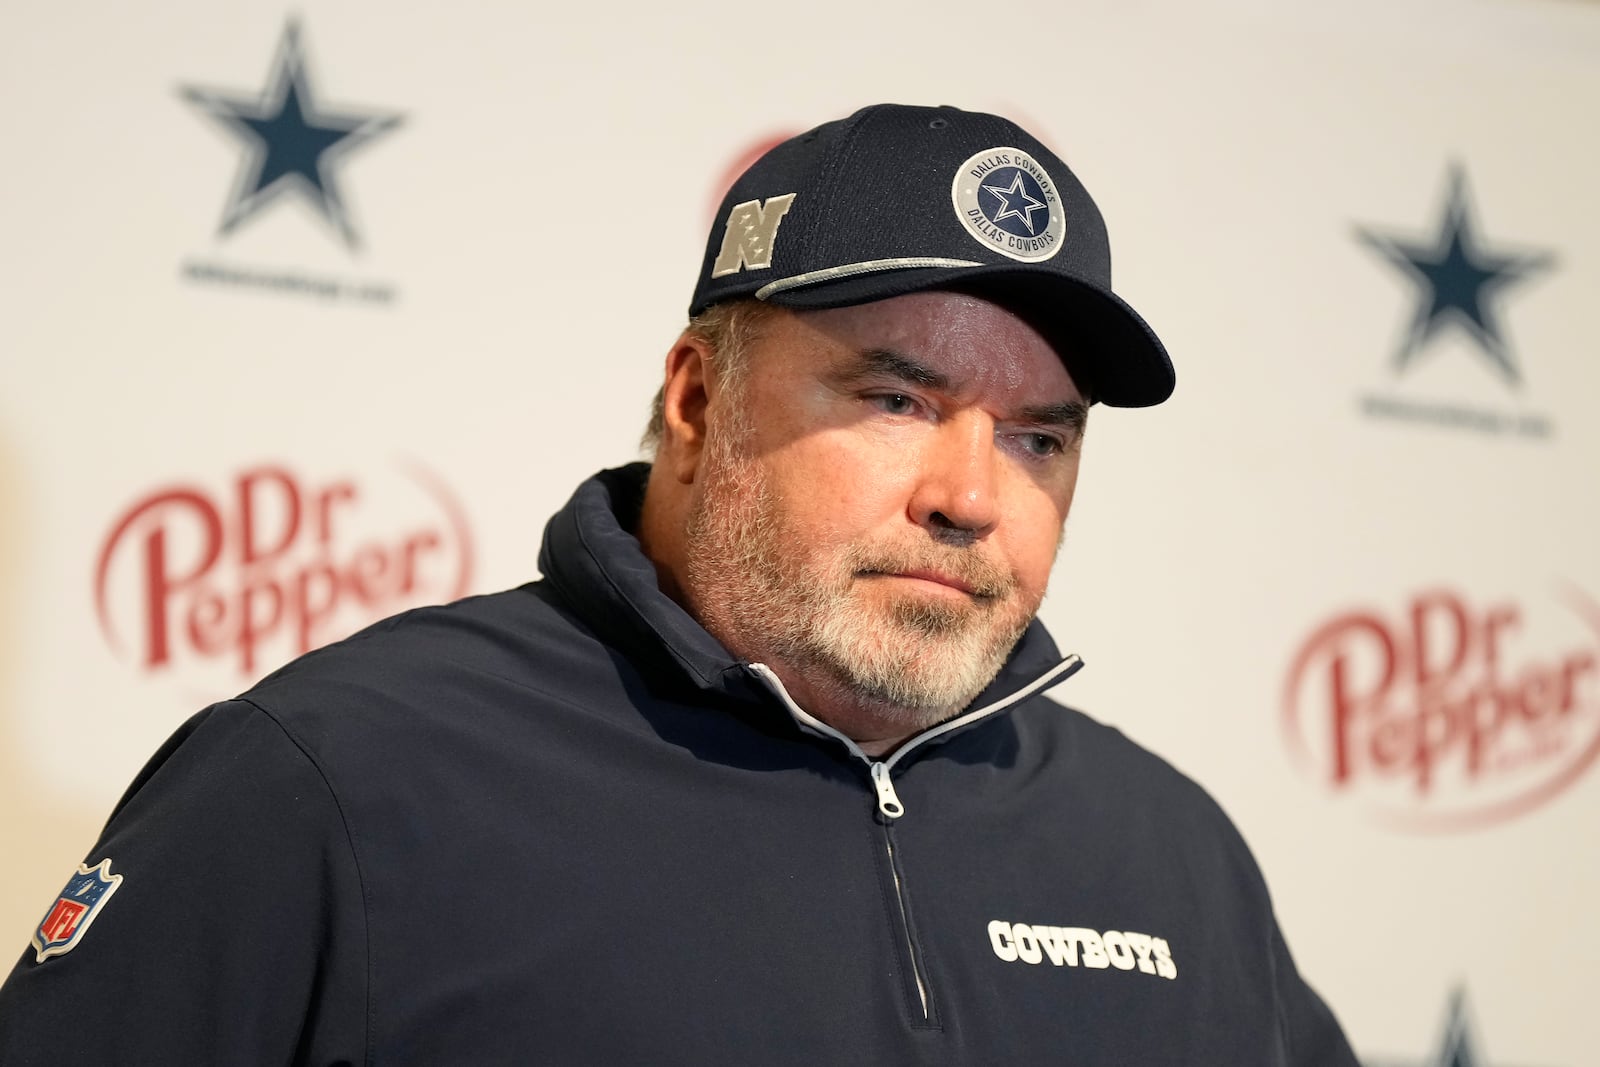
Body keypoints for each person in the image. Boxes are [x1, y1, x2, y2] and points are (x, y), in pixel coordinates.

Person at [0, 104, 1358, 1065]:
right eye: (896, 397)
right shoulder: (334, 784)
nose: (970, 492)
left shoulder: (1171, 858)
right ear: (701, 398)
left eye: (1039, 436)